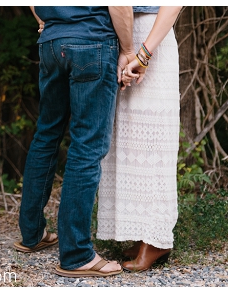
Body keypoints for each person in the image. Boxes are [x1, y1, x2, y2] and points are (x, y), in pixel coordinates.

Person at [14, 6, 134, 277]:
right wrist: (127, 50)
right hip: (92, 41)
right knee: (87, 146)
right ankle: (76, 254)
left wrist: (46, 20)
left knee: (46, 135)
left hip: (52, 43)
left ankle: (31, 235)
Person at [97, 6, 183, 272]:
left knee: (154, 141)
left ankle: (156, 238)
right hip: (123, 37)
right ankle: (140, 231)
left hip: (153, 36)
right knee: (127, 136)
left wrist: (144, 53)